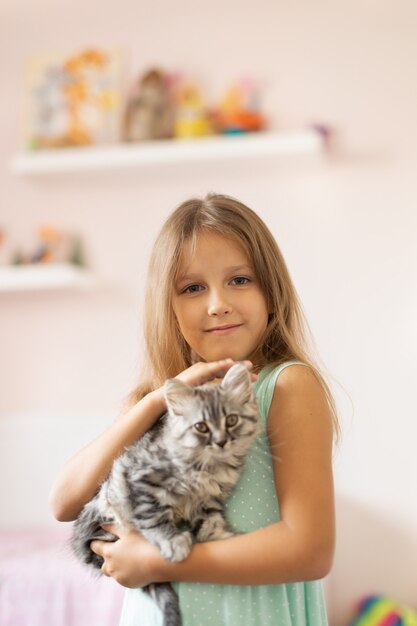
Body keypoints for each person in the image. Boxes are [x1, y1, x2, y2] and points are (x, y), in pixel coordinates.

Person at [49, 193, 339, 626]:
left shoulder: (287, 385)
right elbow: (64, 502)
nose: (217, 302)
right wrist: (151, 403)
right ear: (171, 308)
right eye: (192, 287)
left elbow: (310, 551)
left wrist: (159, 562)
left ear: (271, 293)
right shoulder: (159, 405)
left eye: (239, 280)